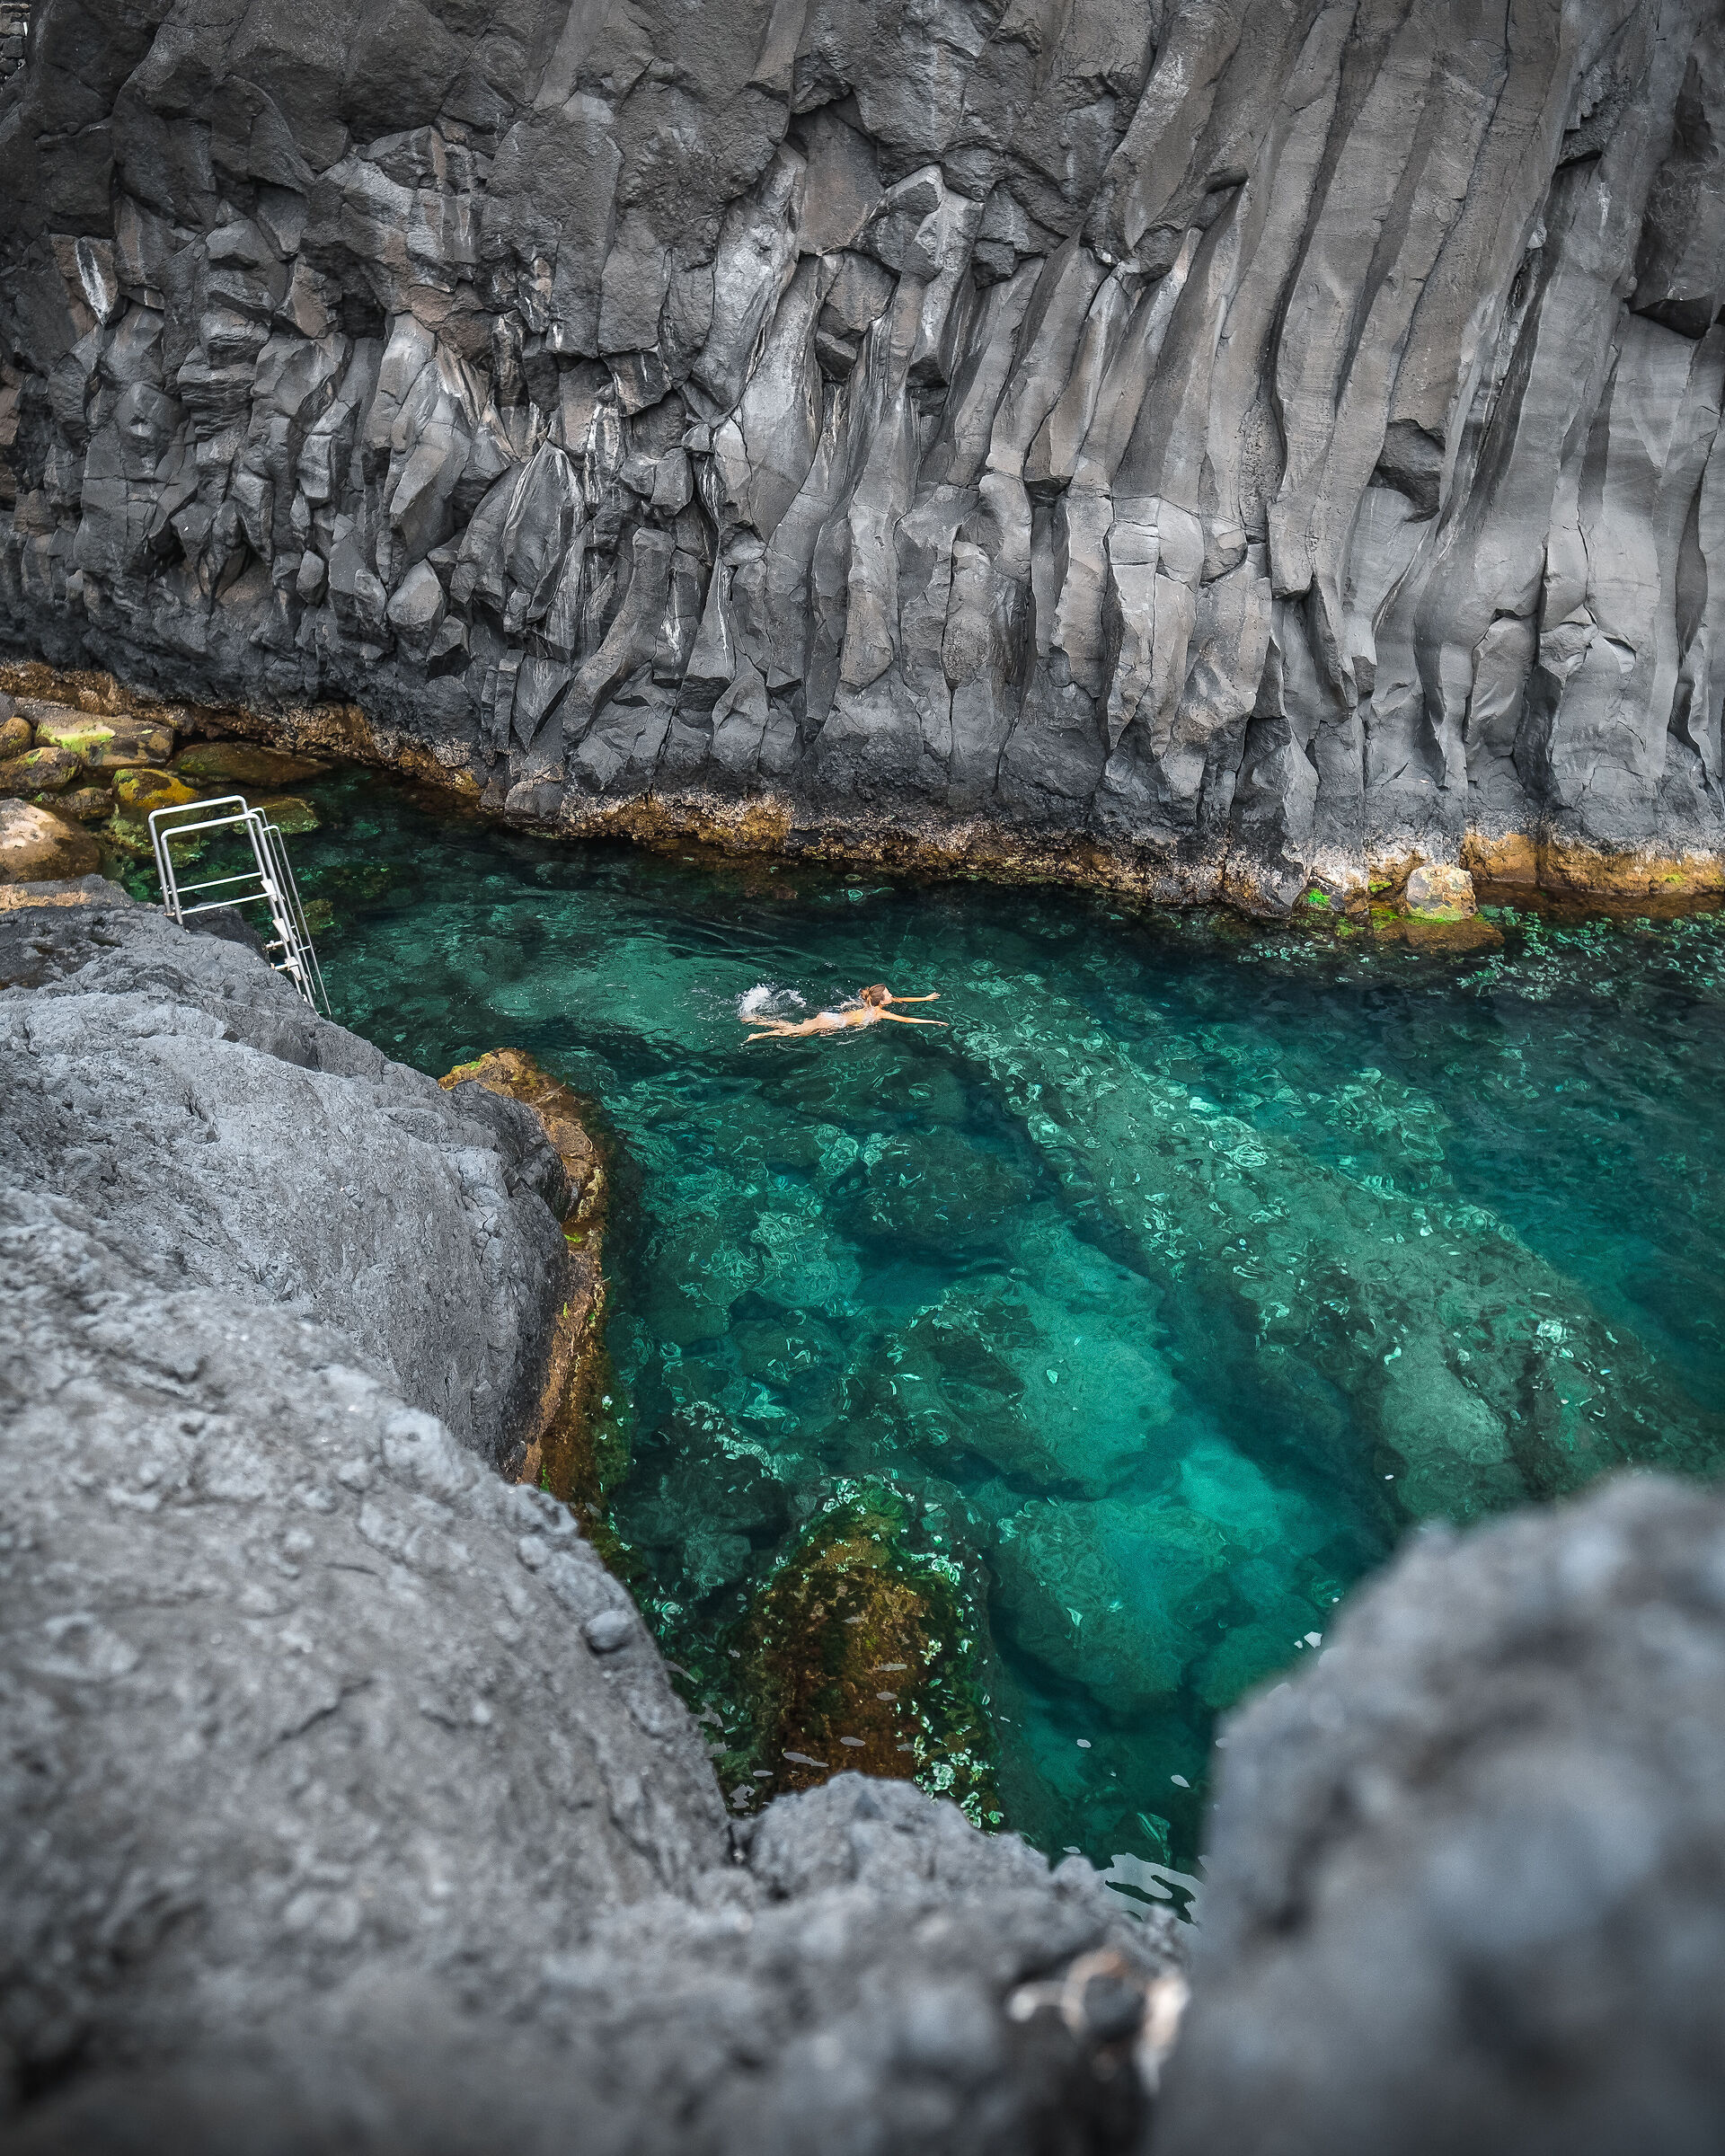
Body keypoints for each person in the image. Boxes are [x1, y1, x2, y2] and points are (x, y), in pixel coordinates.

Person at [742, 983, 946, 1042]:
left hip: (831, 1017)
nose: (892, 996)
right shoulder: (879, 1013)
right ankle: (758, 1033)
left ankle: (756, 1020)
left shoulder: (872, 1004)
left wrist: (925, 998)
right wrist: (931, 1021)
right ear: (881, 1001)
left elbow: (901, 1000)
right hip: (832, 1023)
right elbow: (907, 1019)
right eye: (888, 994)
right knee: (794, 1032)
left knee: (798, 1028)